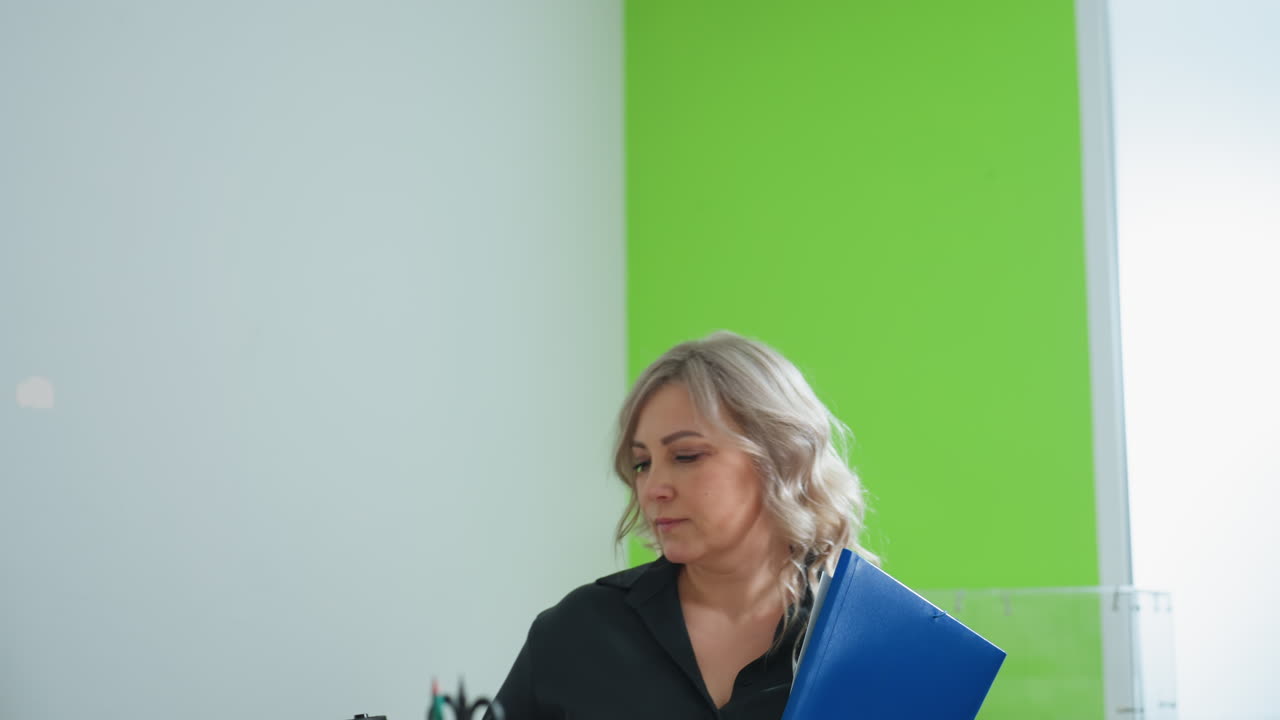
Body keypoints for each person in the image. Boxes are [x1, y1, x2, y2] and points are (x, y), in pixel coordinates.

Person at [488, 330, 876, 719]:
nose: (653, 488)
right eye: (642, 464)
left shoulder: (868, 641)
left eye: (686, 455)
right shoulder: (576, 631)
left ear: (781, 456)